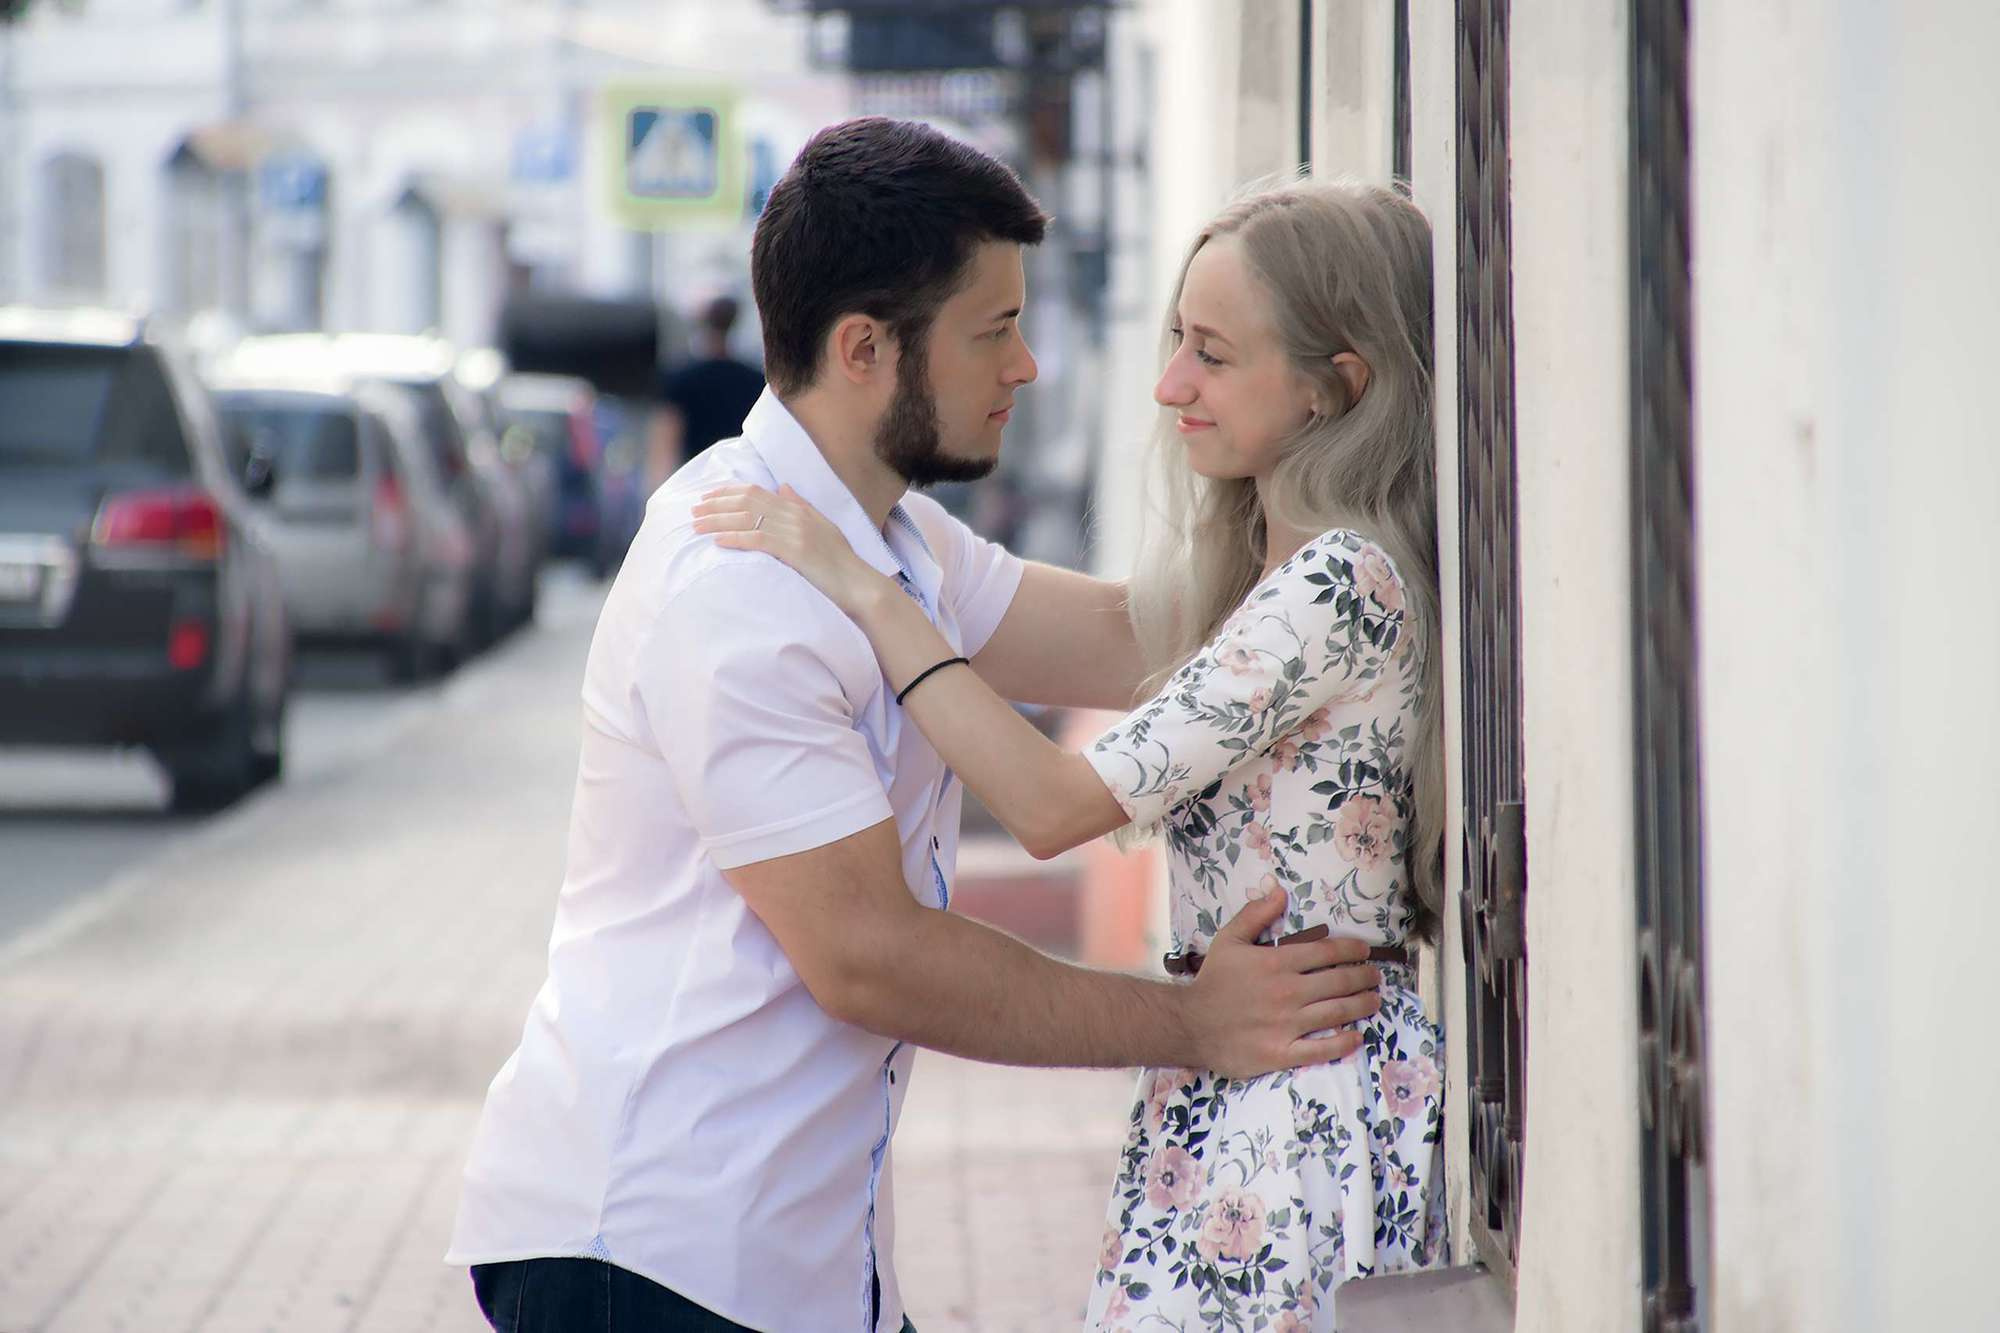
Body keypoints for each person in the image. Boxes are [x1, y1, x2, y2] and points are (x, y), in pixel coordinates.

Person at [446, 119, 1387, 1333]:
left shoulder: (883, 537)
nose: (1026, 366)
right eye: (993, 329)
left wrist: (1309, 465)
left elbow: (1129, 636)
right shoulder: (736, 577)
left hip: (789, 1255)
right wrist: (1192, 1023)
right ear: (863, 350)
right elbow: (867, 957)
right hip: (650, 1247)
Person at [694, 178, 1447, 1331]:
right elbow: (1103, 642)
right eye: (1175, 344)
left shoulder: (1336, 584)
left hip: (1299, 1090)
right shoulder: (1284, 583)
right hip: (1250, 1073)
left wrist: (862, 587)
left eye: (1211, 354)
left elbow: (1048, 803)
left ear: (1331, 384)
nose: (1169, 385)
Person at [649, 295, 766, 485]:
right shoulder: (754, 379)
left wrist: (656, 491)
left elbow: (666, 439)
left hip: (694, 482)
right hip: (742, 481)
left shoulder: (681, 378)